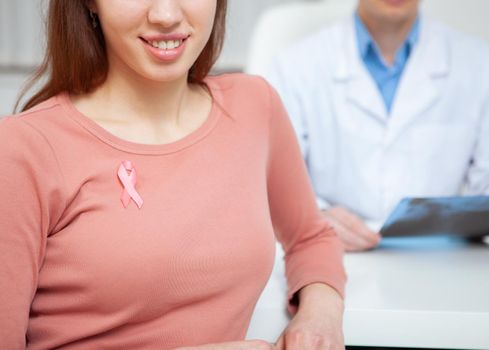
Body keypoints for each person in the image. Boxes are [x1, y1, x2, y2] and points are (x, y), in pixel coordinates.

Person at [0, 1, 346, 349]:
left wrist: (320, 313)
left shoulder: (255, 106)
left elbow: (310, 237)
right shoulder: (23, 148)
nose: (165, 15)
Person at [265, 0, 489, 252]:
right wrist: (314, 218)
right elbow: (274, 182)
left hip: (442, 261)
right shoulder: (294, 67)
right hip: (334, 257)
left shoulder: (479, 64)